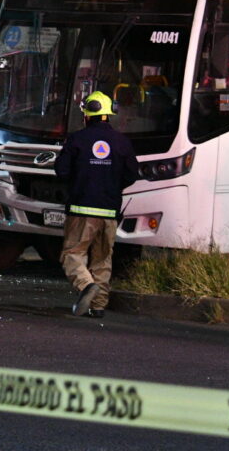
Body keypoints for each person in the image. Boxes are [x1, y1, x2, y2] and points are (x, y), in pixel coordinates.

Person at [54, 90, 139, 319]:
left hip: (81, 209)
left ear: (87, 114)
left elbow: (61, 171)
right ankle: (98, 305)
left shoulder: (77, 139)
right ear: (108, 114)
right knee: (103, 259)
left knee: (73, 253)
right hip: (110, 210)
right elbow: (132, 175)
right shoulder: (122, 142)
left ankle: (85, 285)